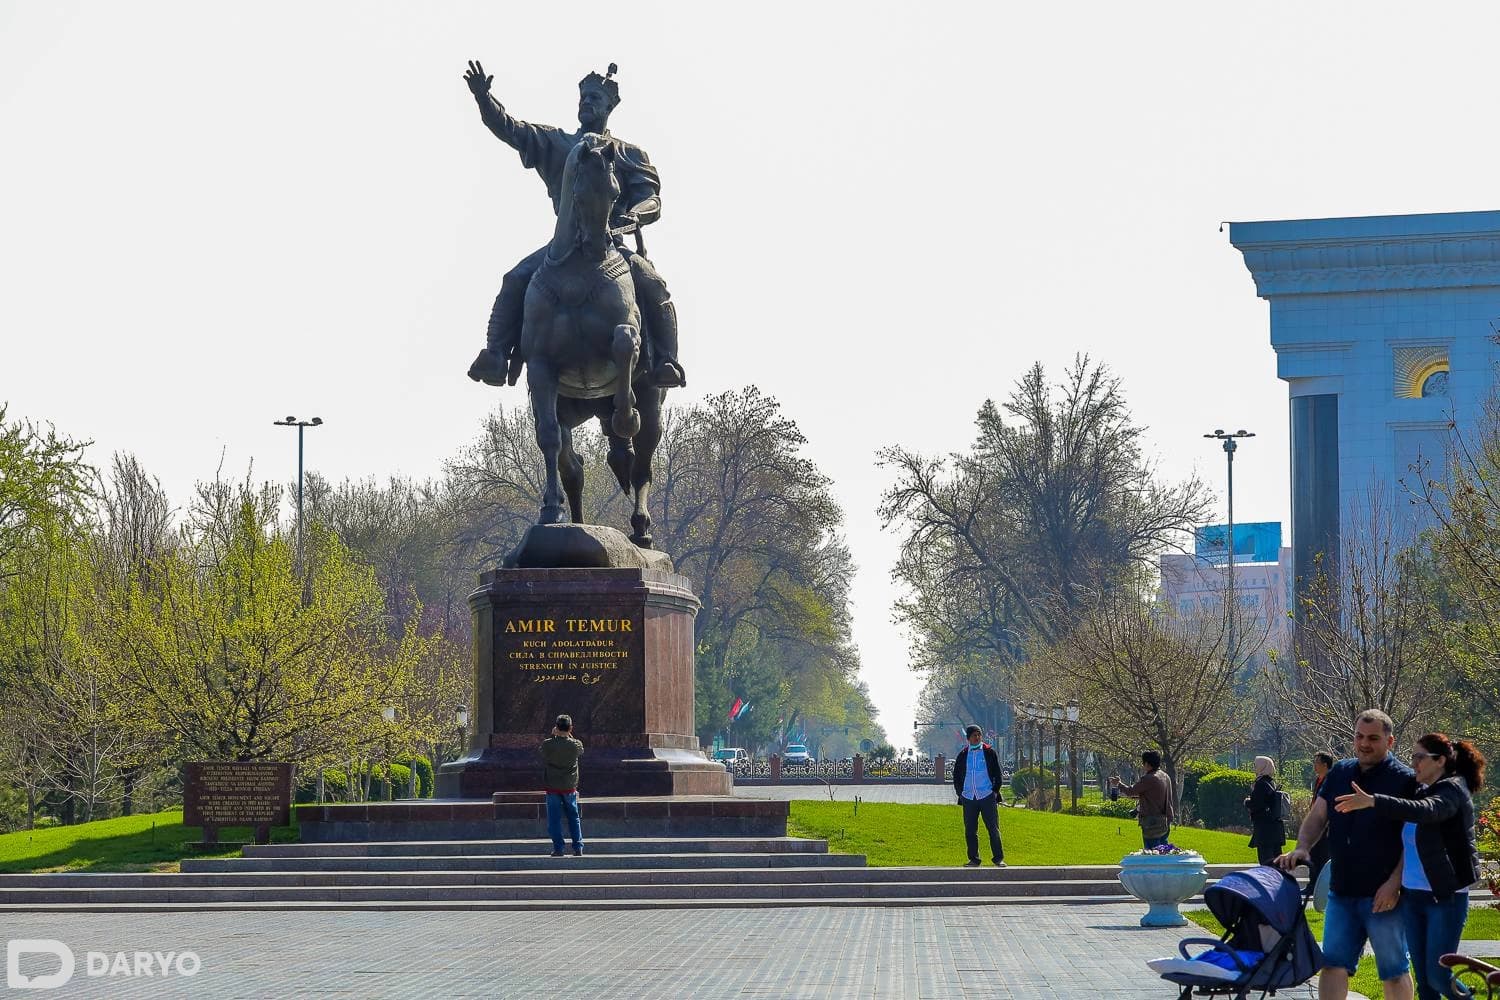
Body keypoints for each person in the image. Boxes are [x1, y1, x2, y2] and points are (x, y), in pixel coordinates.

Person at [462, 60, 685, 390]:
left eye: (595, 98)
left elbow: (652, 199)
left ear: (609, 107)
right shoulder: (556, 142)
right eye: (584, 98)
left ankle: (666, 361)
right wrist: (484, 98)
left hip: (612, 244)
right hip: (563, 244)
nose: (587, 103)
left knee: (654, 285)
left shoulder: (627, 154)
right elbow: (510, 128)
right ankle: (496, 354)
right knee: (515, 278)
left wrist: (635, 215)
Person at [1277, 710, 1417, 1000]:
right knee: (1333, 966)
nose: (1364, 743)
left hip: (1384, 897)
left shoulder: (1404, 781)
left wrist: (1394, 884)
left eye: (1373, 738)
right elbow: (1318, 815)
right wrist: (1302, 846)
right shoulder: (1340, 771)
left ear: (1390, 741)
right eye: (1359, 737)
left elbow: (1412, 841)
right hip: (1341, 892)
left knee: (1394, 970)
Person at [1335, 733, 1486, 1000]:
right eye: (1413, 756)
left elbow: (1427, 811)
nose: (1413, 762)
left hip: (1445, 897)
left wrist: (1374, 801)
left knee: (1438, 975)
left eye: (1420, 757)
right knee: (1425, 983)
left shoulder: (1453, 789)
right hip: (1413, 896)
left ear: (1439, 761)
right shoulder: (1419, 789)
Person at [951, 725, 1006, 867]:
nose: (977, 737)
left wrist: (994, 791)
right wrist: (960, 793)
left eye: (979, 735)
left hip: (987, 796)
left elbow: (997, 774)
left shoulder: (989, 752)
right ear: (968, 738)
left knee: (993, 829)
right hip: (969, 797)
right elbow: (956, 775)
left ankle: (998, 859)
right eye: (974, 735)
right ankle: (974, 859)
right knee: (970, 830)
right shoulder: (963, 755)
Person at [540, 714, 585, 857]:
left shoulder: (548, 744)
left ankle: (558, 848)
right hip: (569, 787)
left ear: (556, 728)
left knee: (554, 819)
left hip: (552, 786)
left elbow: (543, 752)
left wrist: (555, 736)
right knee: (573, 817)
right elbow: (580, 750)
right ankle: (578, 847)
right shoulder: (576, 744)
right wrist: (566, 734)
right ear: (571, 728)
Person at [1111, 750, 1175, 849]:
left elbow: (1130, 791)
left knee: (1152, 854)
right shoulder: (1165, 776)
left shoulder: (1149, 778)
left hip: (1152, 823)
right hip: (1165, 820)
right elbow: (1152, 795)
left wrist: (1118, 784)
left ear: (1147, 763)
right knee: (1163, 853)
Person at [1246, 756, 1288, 865]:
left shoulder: (1261, 784)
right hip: (1274, 827)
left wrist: (1247, 802)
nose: (1254, 768)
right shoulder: (1271, 782)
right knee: (1276, 860)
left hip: (1265, 829)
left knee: (1266, 860)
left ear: (1262, 766)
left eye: (1255, 765)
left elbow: (1257, 804)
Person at [1310, 750, 1335, 888]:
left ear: (1325, 765)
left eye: (1317, 763)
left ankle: (1321, 886)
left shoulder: (1331, 781)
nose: (1315, 765)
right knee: (1313, 855)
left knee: (1322, 856)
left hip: (1326, 827)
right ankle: (1312, 884)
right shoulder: (1318, 780)